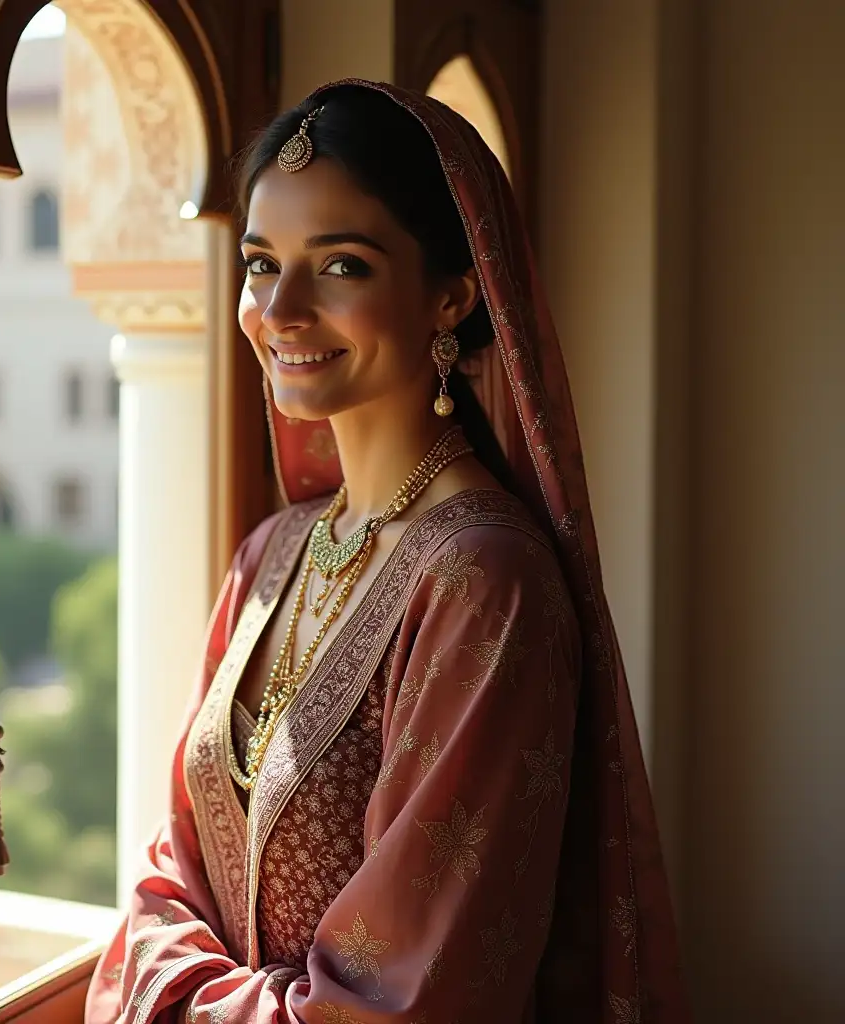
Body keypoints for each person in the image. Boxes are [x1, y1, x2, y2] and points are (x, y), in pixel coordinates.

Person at [85, 80, 691, 1023]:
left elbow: (412, 996)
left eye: (341, 267)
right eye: (259, 263)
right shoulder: (273, 552)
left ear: (451, 295)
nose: (278, 310)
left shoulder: (486, 585)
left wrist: (178, 1004)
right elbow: (170, 873)